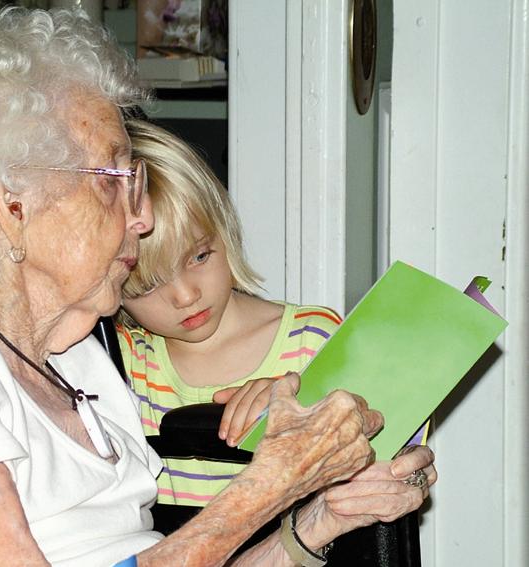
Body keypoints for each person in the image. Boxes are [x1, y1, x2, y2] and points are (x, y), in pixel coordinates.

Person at [0, 6, 399, 566]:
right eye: (113, 179)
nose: (141, 218)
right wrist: (270, 487)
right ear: (13, 207)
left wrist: (319, 519)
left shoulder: (74, 359)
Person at [118, 119, 437, 553]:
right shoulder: (123, 363)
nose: (186, 296)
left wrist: (305, 405)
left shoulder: (313, 338)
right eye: (149, 283)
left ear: (225, 229)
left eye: (200, 256)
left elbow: (392, 454)